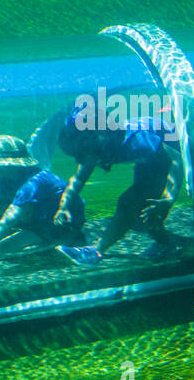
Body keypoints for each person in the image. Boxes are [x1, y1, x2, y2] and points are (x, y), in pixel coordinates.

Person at [52, 108, 183, 267]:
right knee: (142, 215)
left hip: (165, 156)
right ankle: (166, 244)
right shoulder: (95, 146)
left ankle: (96, 252)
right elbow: (78, 180)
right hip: (147, 159)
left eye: (82, 147)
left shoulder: (138, 141)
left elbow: (177, 161)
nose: (78, 157)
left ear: (100, 138)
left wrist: (168, 199)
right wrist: (64, 205)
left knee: (129, 202)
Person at [0, 135, 85, 268]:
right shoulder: (6, 180)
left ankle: (62, 240)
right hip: (36, 218)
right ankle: (25, 239)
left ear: (6, 164)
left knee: (3, 248)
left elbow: (8, 219)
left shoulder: (33, 183)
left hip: (57, 224)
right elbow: (6, 206)